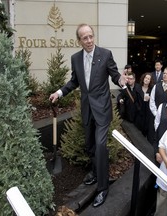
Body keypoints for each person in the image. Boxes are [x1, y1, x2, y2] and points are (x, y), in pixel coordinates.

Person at [49, 23, 127, 207]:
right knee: (90, 146)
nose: (89, 40)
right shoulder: (76, 58)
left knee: (100, 146)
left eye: (91, 36)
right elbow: (74, 81)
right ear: (79, 40)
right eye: (85, 38)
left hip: (102, 110)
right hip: (87, 109)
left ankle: (103, 188)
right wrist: (59, 93)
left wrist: (121, 80)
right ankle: (94, 171)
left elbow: (115, 75)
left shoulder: (105, 54)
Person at [135, 72, 154, 137]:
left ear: (150, 81)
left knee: (145, 131)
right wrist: (138, 108)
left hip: (147, 113)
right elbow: (135, 100)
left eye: (148, 79)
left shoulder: (152, 90)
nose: (146, 79)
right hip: (139, 113)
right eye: (146, 78)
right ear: (143, 78)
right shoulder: (137, 87)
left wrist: (150, 99)